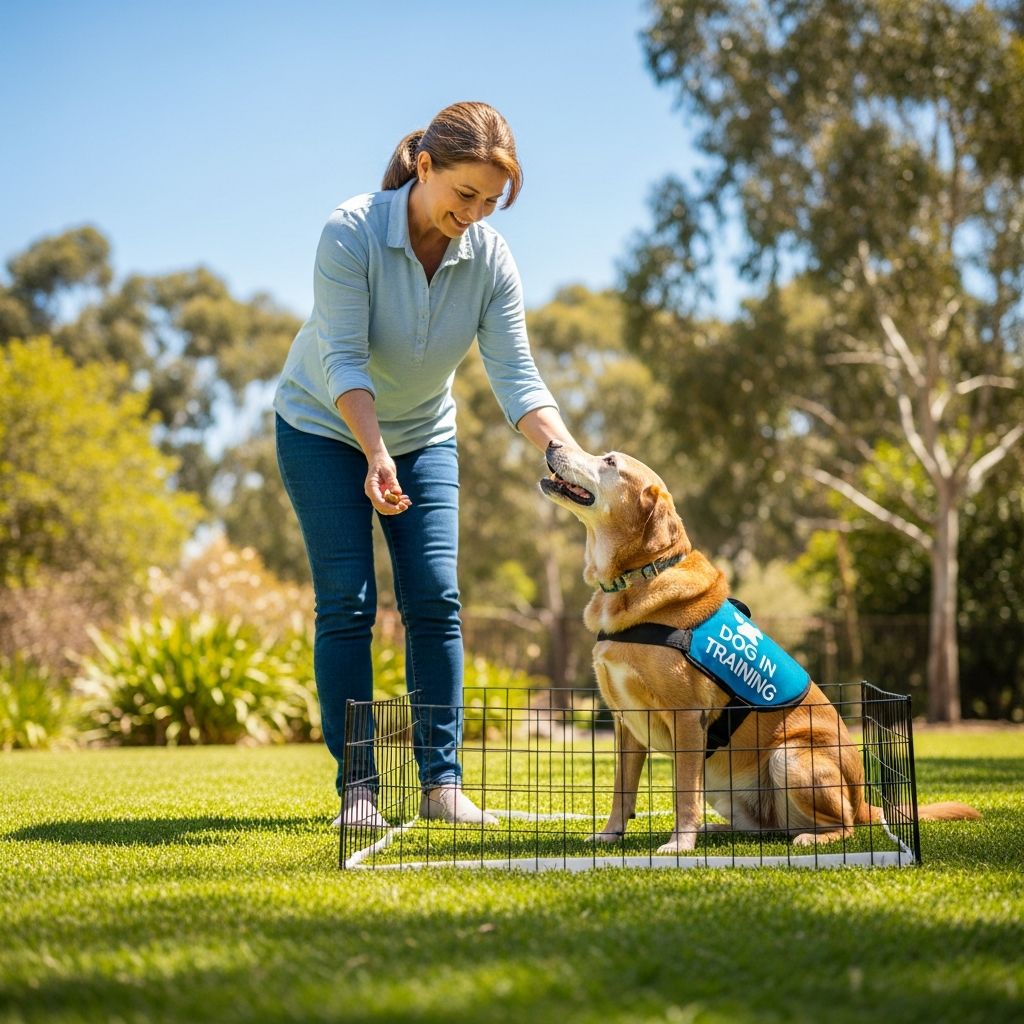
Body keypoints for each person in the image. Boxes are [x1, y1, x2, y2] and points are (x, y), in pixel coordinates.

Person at [274, 101, 578, 827]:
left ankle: (443, 788)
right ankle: (359, 791)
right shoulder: (351, 231)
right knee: (348, 602)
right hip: (321, 426)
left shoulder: (490, 260)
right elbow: (344, 360)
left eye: (490, 202)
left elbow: (517, 377)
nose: (473, 214)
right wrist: (373, 452)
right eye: (463, 194)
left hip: (424, 435)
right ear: (425, 166)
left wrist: (568, 453)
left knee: (436, 599)